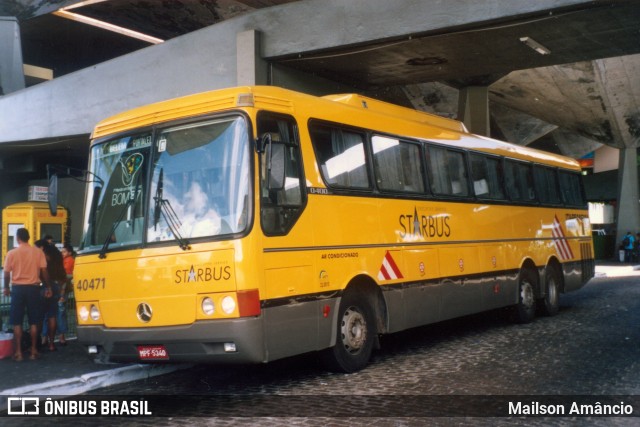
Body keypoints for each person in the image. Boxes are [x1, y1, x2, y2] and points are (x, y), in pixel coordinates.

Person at [2, 228, 52, 361]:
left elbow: (6, 273)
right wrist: (48, 287)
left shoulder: (11, 253)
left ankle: (18, 353)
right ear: (28, 238)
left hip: (18, 289)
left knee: (17, 322)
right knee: (34, 321)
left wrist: (6, 287)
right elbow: (44, 271)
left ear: (18, 238)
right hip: (33, 289)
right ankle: (34, 351)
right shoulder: (38, 252)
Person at [35, 239, 67, 352]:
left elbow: (42, 271)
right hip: (56, 285)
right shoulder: (57, 254)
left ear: (42, 247)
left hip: (44, 285)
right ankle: (52, 344)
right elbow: (63, 274)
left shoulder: (42, 255)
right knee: (53, 316)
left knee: (40, 316)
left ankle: (41, 341)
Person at [58, 243, 76, 345]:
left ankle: (61, 336)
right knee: (61, 312)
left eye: (64, 251)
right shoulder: (68, 260)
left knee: (60, 312)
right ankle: (61, 336)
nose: (62, 253)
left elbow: (64, 275)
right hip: (64, 289)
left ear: (69, 252)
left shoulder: (69, 261)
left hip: (62, 289)